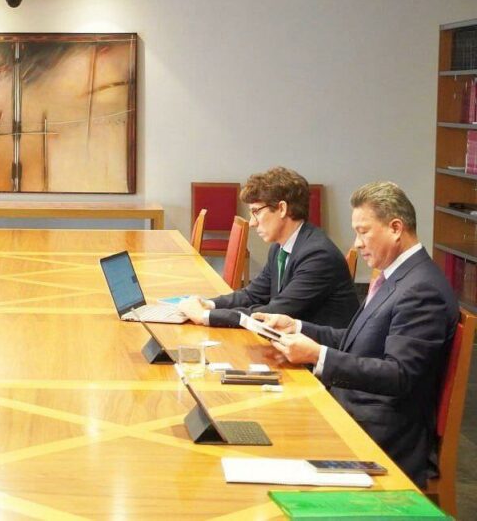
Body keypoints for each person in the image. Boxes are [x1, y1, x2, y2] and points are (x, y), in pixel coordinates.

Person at [257, 181, 458, 487]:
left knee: (273, 441)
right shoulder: (396, 277)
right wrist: (297, 327)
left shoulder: (421, 289)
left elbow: (399, 375)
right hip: (357, 408)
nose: (357, 243)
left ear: (395, 228)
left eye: (363, 232)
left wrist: (318, 356)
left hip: (383, 434)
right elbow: (357, 342)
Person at [178, 167, 358, 328]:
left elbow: (275, 312)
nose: (252, 223)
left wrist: (205, 316)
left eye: (256, 212)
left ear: (282, 209)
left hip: (316, 351)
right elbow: (252, 295)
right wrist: (208, 304)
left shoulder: (317, 255)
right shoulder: (279, 248)